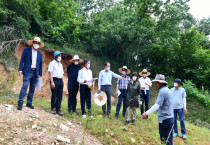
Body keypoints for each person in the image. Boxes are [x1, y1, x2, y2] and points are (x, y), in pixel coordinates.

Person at [141, 74, 174, 145]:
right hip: (170, 119)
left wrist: (146, 113)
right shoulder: (168, 90)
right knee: (168, 141)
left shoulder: (162, 91)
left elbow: (156, 106)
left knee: (165, 142)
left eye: (157, 82)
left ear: (161, 83)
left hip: (165, 120)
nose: (155, 84)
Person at [17, 37, 43, 110]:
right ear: (33, 43)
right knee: (24, 86)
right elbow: (22, 60)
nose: (36, 44)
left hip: (36, 72)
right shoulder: (26, 50)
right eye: (35, 42)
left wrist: (40, 74)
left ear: (39, 44)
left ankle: (29, 102)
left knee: (32, 88)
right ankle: (20, 102)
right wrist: (20, 69)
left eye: (38, 43)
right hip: (28, 71)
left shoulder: (40, 54)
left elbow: (40, 64)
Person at [48, 51, 64, 116]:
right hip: (55, 79)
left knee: (60, 95)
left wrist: (62, 82)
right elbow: (50, 73)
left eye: (60, 56)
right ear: (56, 56)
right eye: (59, 55)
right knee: (54, 95)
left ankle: (58, 109)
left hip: (60, 80)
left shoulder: (61, 64)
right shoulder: (52, 63)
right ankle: (53, 108)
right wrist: (52, 82)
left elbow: (62, 74)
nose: (60, 57)